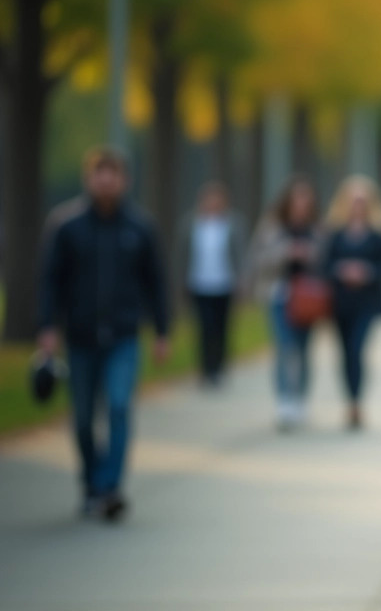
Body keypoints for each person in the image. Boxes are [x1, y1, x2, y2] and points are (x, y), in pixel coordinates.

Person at [36, 147, 170, 521]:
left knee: (118, 405)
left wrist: (162, 330)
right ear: (89, 178)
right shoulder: (66, 226)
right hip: (79, 338)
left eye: (113, 174)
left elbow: (156, 282)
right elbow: (50, 281)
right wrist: (46, 326)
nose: (106, 180)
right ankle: (92, 481)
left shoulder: (140, 227)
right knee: (81, 418)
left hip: (124, 336)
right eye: (100, 173)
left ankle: (110, 487)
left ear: (125, 180)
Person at [247, 177, 321, 430]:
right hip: (279, 295)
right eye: (297, 199)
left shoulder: (316, 228)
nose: (301, 205)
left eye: (306, 200)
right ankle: (284, 401)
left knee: (303, 349)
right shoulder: (272, 227)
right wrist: (286, 252)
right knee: (283, 347)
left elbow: (325, 259)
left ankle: (300, 398)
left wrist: (311, 253)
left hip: (308, 299)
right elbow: (258, 258)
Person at [322, 175, 381, 430]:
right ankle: (350, 400)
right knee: (343, 354)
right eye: (353, 200)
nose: (357, 205)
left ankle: (356, 404)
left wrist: (367, 272)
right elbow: (323, 265)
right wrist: (342, 271)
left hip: (367, 303)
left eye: (362, 200)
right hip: (340, 303)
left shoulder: (378, 234)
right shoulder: (335, 233)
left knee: (356, 349)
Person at [178, 181, 245, 387]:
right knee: (204, 328)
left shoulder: (232, 223)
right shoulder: (191, 223)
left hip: (224, 284)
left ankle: (219, 368)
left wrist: (241, 280)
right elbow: (183, 254)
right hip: (199, 284)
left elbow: (239, 254)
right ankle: (206, 369)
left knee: (221, 328)